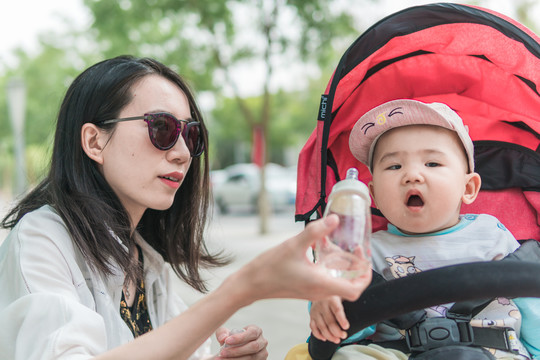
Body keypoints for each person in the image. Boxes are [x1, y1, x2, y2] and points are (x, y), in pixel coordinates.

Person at [0, 55, 371, 360]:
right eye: (161, 128)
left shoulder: (146, 260)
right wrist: (240, 290)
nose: (181, 153)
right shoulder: (42, 239)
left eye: (190, 135)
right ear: (95, 141)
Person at [307, 99, 540, 359]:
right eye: (394, 166)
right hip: (398, 353)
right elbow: (350, 329)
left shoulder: (492, 234)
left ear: (468, 188)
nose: (412, 175)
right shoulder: (367, 250)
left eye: (432, 164)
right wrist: (329, 300)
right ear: (373, 195)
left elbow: (532, 303)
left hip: (493, 349)